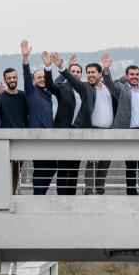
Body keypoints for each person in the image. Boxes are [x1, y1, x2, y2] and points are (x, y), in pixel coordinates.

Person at [53, 52, 117, 195]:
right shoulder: (86, 88)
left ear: (100, 74)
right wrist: (62, 67)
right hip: (92, 130)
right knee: (92, 162)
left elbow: (113, 83)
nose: (90, 75)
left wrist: (107, 69)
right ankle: (89, 190)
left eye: (93, 72)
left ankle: (99, 190)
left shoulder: (109, 88)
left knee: (105, 162)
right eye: (88, 73)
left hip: (109, 131)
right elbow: (73, 80)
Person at [105, 58, 139, 195]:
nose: (134, 77)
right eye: (131, 74)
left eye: (137, 74)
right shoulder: (121, 89)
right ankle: (132, 194)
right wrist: (106, 70)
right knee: (131, 166)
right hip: (129, 132)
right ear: (126, 76)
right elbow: (109, 84)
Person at [43, 53, 88, 195]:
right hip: (63, 132)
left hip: (79, 134)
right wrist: (48, 67)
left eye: (78, 72)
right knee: (63, 166)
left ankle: (71, 197)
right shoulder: (62, 87)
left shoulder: (85, 89)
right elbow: (49, 85)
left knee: (75, 167)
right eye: (72, 71)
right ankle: (62, 197)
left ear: (81, 75)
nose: (75, 73)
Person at [20, 40, 57, 196]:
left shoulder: (49, 92)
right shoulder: (30, 91)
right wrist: (25, 58)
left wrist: (62, 66)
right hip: (36, 136)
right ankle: (38, 196)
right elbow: (26, 74)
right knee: (40, 167)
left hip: (50, 137)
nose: (42, 79)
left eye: (43, 77)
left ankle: (42, 192)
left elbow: (61, 80)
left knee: (53, 166)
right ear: (34, 81)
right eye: (38, 77)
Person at [0, 68, 29, 193]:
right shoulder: (1, 95)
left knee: (17, 170)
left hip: (21, 138)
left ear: (17, 78)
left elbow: (28, 114)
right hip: (5, 138)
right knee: (6, 169)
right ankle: (7, 193)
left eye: (14, 77)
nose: (12, 80)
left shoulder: (23, 95)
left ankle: (13, 192)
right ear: (5, 80)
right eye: (9, 78)